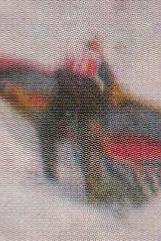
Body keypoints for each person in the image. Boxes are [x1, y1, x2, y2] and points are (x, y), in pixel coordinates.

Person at [38, 37, 117, 202]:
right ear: (97, 48)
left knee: (47, 131)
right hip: (84, 103)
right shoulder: (99, 59)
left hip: (64, 104)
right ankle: (94, 190)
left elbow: (54, 75)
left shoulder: (72, 55)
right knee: (89, 142)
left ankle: (50, 175)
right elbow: (111, 85)